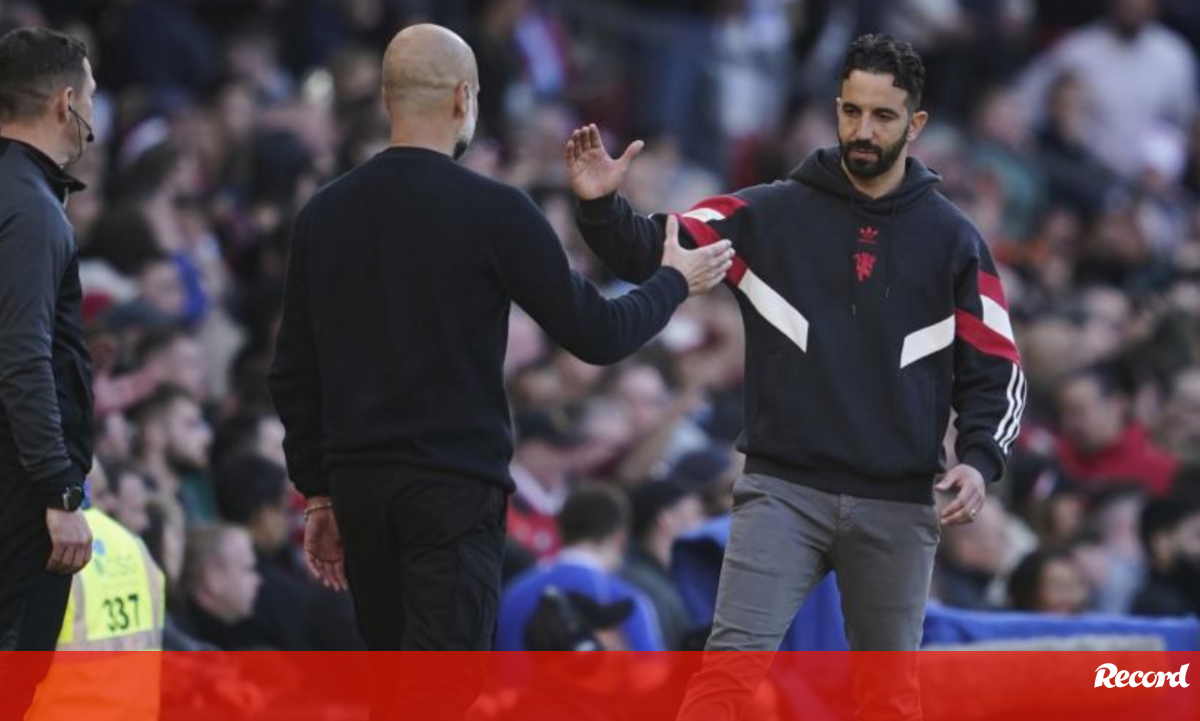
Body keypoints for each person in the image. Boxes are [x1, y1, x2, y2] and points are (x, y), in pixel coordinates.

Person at [267, 23, 731, 720]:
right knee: (438, 694)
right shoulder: (495, 210)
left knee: (396, 690)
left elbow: (293, 373)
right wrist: (673, 281)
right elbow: (599, 334)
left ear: (389, 98)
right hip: (452, 486)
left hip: (360, 490)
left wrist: (319, 493)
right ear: (464, 99)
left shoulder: (323, 213)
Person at [565, 33, 1026, 721]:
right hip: (783, 489)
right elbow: (656, 249)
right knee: (725, 678)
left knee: (889, 703)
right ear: (836, 108)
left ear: (916, 124)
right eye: (851, 111)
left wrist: (981, 459)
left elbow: (998, 364)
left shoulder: (955, 238)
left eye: (883, 116)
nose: (862, 130)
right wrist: (601, 207)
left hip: (898, 502)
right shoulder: (768, 211)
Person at [0, 26, 98, 718]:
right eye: (91, 96)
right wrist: (60, 490)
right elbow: (22, 355)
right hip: (19, 489)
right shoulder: (32, 210)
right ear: (65, 103)